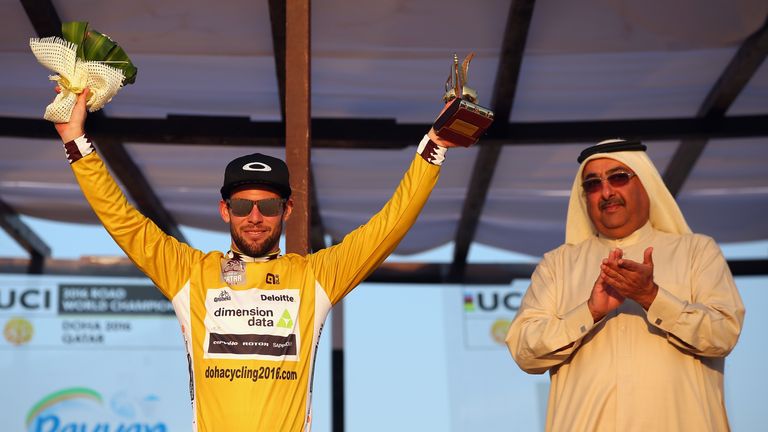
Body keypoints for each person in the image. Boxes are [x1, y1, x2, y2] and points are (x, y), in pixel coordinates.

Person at [54, 88, 466, 431]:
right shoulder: (190, 273)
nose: (255, 217)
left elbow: (388, 227)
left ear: (287, 211)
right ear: (224, 210)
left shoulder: (313, 277)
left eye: (268, 206)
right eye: (242, 205)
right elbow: (123, 222)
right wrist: (75, 139)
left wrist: (435, 148)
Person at [505, 139, 745, 431]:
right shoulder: (558, 264)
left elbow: (723, 335)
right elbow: (525, 351)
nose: (606, 192)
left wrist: (652, 297)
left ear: (646, 184)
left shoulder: (696, 251)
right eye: (593, 184)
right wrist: (590, 312)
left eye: (618, 177)